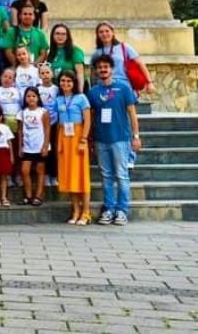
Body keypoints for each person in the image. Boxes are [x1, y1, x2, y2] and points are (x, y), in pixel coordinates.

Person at [87, 55, 141, 227]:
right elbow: (92, 117)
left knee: (122, 175)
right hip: (101, 140)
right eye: (99, 67)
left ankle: (122, 210)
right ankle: (109, 209)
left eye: (106, 67)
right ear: (96, 71)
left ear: (111, 69)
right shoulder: (93, 92)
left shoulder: (124, 88)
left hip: (120, 139)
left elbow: (132, 113)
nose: (103, 70)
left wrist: (136, 136)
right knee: (106, 176)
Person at [55, 70, 92, 225]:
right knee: (69, 175)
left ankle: (86, 212)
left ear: (74, 83)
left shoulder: (81, 98)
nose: (65, 84)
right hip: (64, 136)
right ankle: (75, 210)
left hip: (78, 136)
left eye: (69, 81)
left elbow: (88, 121)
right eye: (63, 81)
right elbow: (58, 122)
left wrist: (83, 140)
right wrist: (58, 143)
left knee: (82, 176)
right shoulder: (58, 99)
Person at [91, 22, 152, 89]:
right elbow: (94, 74)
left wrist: (149, 82)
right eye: (101, 32)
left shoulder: (124, 47)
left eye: (107, 31)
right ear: (98, 35)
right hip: (103, 86)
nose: (104, 34)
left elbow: (140, 64)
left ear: (113, 32)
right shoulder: (96, 53)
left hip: (123, 85)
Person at [17, 87, 50, 206]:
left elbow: (47, 129)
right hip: (27, 146)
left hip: (40, 145)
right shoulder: (22, 113)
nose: (31, 98)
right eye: (28, 96)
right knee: (24, 170)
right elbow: (20, 130)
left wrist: (45, 145)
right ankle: (28, 195)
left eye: (33, 96)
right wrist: (20, 146)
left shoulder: (43, 112)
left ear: (38, 98)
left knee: (40, 170)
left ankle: (39, 195)